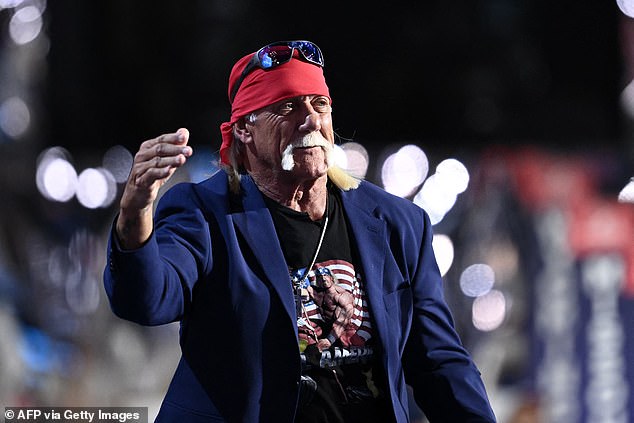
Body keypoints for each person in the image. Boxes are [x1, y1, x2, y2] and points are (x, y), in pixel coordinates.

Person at [104, 40, 497, 423]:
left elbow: (438, 361)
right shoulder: (205, 214)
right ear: (244, 130)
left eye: (319, 104)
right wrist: (135, 209)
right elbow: (146, 299)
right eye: (287, 107)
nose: (310, 120)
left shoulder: (397, 223)